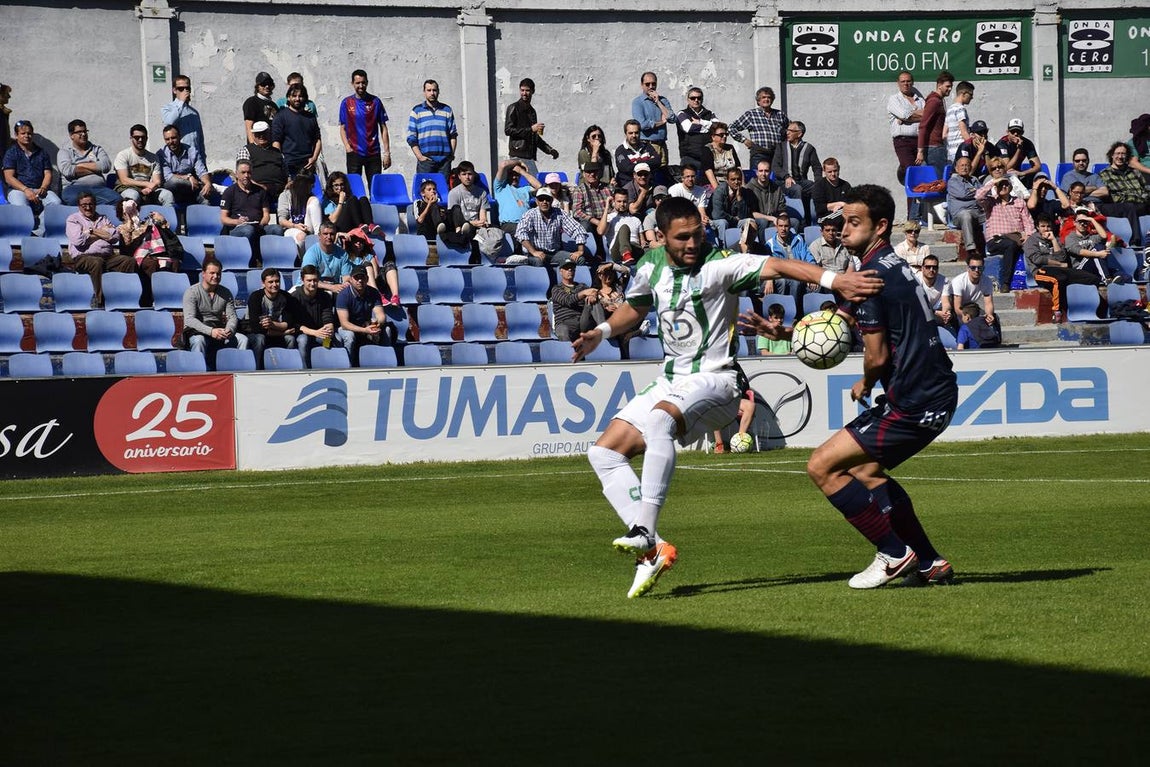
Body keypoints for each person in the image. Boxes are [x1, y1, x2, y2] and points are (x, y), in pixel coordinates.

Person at [574, 195, 882, 598]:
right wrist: (602, 333)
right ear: (661, 237)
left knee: (658, 420)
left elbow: (778, 264)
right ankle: (653, 549)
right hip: (671, 378)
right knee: (604, 454)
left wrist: (833, 280)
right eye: (682, 237)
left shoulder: (719, 264)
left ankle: (644, 529)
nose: (691, 243)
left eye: (696, 234)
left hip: (717, 380)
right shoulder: (650, 266)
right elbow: (635, 307)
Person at [786, 184, 958, 588]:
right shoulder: (889, 265)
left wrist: (866, 378)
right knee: (866, 470)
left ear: (880, 226)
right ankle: (931, 562)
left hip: (916, 400)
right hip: (934, 392)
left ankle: (894, 553)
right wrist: (784, 330)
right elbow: (842, 320)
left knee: (822, 466)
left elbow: (877, 355)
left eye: (854, 222)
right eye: (843, 222)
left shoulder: (871, 278)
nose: (843, 230)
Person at [1026, 213, 1101, 323]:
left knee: (1092, 278)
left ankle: (1086, 307)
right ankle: (1057, 311)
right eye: (1043, 226)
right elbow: (1038, 259)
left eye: (1048, 226)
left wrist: (1053, 241)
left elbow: (1062, 257)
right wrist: (1059, 264)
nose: (1046, 229)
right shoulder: (1031, 241)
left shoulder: (1055, 239)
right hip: (1040, 272)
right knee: (1058, 279)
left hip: (1060, 270)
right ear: (1037, 227)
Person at [65, 191, 135, 308]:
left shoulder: (103, 218)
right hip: (83, 257)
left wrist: (90, 231)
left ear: (95, 205)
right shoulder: (73, 219)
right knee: (97, 262)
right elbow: (78, 240)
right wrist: (102, 232)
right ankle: (100, 301)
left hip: (108, 257)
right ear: (79, 206)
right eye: (84, 205)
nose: (88, 208)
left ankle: (124, 297)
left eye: (91, 204)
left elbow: (114, 237)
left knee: (128, 261)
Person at [182, 259, 247, 367]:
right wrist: (211, 331)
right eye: (212, 273)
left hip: (218, 330)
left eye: (218, 273)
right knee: (199, 341)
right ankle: (198, 372)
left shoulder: (226, 292)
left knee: (243, 339)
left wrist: (229, 330)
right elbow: (189, 320)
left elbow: (232, 317)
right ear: (203, 274)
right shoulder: (192, 292)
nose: (216, 276)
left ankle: (240, 372)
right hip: (197, 331)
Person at [219, 160, 284, 264]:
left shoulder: (260, 191)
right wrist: (237, 222)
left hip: (258, 226)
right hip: (237, 228)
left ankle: (274, 262)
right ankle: (250, 261)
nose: (246, 175)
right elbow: (223, 218)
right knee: (248, 230)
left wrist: (261, 224)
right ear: (236, 174)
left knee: (277, 229)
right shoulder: (230, 192)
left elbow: (266, 215)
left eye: (249, 172)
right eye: (243, 172)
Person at [4, 120, 62, 234]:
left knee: (56, 202)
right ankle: (25, 231)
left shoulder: (42, 152)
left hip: (40, 189)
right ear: (16, 135)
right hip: (18, 190)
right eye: (23, 133)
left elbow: (48, 173)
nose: (27, 136)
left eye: (29, 133)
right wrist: (25, 190)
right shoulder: (11, 153)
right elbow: (9, 177)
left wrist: (44, 188)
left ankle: (38, 232)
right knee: (21, 206)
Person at [976, 175, 1034, 292]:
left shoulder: (1019, 202)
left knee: (1030, 245)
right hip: (996, 240)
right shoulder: (990, 202)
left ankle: (1034, 281)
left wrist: (1028, 236)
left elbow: (1028, 222)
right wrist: (993, 182)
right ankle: (1005, 282)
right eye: (1000, 185)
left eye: (1006, 184)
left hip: (1017, 238)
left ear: (1010, 187)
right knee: (1010, 245)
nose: (1003, 186)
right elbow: (978, 196)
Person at [340, 69, 391, 184]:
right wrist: (348, 147)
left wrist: (387, 153)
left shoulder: (375, 102)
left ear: (367, 83)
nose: (361, 86)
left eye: (363, 82)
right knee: (354, 188)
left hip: (373, 153)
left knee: (375, 188)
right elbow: (342, 128)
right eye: (357, 83)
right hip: (354, 152)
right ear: (352, 83)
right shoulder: (346, 103)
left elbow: (383, 128)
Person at [515, 187, 588, 266]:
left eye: (547, 199)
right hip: (535, 253)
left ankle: (574, 278)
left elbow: (578, 229)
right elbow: (520, 233)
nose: (544, 202)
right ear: (536, 201)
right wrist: (534, 252)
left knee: (579, 259)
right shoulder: (529, 214)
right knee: (538, 261)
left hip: (555, 253)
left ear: (552, 200)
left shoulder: (560, 213)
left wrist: (580, 251)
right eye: (541, 199)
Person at [887, 71, 925, 222]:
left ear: (913, 82)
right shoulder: (894, 99)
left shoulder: (920, 99)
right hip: (903, 141)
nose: (906, 84)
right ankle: (912, 217)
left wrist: (909, 117)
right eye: (903, 81)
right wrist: (908, 117)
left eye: (908, 81)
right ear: (898, 83)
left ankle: (919, 215)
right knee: (911, 174)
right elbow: (904, 114)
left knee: (920, 177)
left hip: (920, 141)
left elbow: (927, 115)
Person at [58, 119, 120, 206]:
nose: (83, 134)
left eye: (85, 131)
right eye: (79, 132)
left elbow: (106, 166)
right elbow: (68, 171)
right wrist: (96, 169)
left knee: (117, 200)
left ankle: (93, 207)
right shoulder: (64, 152)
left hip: (99, 189)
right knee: (73, 200)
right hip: (74, 188)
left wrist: (80, 165)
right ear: (72, 135)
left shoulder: (97, 149)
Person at [1098, 142, 1149, 248]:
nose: (1120, 157)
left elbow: (1146, 189)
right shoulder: (1104, 174)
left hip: (1142, 203)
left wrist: (1143, 197)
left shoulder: (1135, 172)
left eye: (1123, 154)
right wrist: (1137, 197)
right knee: (1130, 206)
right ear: (1112, 155)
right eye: (1117, 153)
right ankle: (1135, 241)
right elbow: (1116, 197)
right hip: (1124, 206)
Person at [335, 266, 390, 365]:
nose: (360, 280)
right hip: (347, 327)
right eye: (356, 278)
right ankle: (348, 365)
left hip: (365, 325)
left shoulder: (373, 292)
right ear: (351, 279)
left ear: (367, 279)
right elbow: (344, 324)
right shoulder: (343, 295)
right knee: (349, 336)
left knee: (387, 330)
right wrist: (365, 330)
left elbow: (381, 316)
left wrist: (376, 324)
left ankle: (385, 363)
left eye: (363, 277)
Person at [505, 77, 558, 175]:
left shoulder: (532, 111)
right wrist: (531, 129)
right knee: (533, 183)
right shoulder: (513, 108)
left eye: (527, 90)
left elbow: (534, 137)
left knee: (533, 185)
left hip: (529, 156)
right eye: (522, 90)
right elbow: (508, 130)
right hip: (517, 155)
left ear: (533, 91)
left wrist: (550, 150)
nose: (524, 93)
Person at [246, 268, 299, 367]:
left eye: (277, 281)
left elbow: (289, 324)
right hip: (254, 333)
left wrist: (272, 324)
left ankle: (288, 368)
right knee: (260, 339)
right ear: (263, 283)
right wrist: (282, 331)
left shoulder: (286, 297)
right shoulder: (256, 297)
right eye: (270, 282)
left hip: (275, 332)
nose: (274, 285)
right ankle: (257, 369)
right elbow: (256, 328)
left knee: (290, 339)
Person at [290, 264, 341, 366]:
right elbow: (294, 323)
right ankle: (305, 370)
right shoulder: (294, 297)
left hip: (320, 332)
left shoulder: (324, 296)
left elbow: (327, 317)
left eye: (315, 280)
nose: (312, 283)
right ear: (302, 280)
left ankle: (329, 366)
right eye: (309, 280)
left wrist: (328, 329)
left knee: (334, 339)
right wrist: (314, 332)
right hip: (302, 332)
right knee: (303, 340)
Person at [114, 125, 175, 206]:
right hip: (128, 188)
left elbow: (157, 181)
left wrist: (149, 188)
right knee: (133, 196)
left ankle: (167, 218)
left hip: (149, 190)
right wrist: (146, 184)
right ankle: (132, 219)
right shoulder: (123, 155)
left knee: (167, 195)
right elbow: (124, 180)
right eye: (136, 137)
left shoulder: (154, 158)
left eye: (143, 137)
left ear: (147, 138)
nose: (140, 140)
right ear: (131, 138)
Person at [772, 121, 821, 223]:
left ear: (799, 134)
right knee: (797, 189)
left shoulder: (809, 148)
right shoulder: (781, 147)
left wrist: (818, 182)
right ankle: (801, 222)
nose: (787, 133)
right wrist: (786, 176)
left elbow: (817, 167)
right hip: (783, 182)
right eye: (787, 130)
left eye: (790, 131)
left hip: (801, 180)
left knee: (816, 187)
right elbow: (775, 167)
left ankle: (817, 220)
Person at [729, 86, 788, 169]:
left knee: (776, 180)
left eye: (769, 97)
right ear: (758, 101)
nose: (766, 99)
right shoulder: (751, 114)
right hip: (759, 154)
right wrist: (744, 140)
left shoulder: (780, 114)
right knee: (758, 179)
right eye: (763, 97)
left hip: (776, 154)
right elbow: (731, 128)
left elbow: (788, 131)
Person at [271, 82, 322, 178]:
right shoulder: (280, 116)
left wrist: (314, 158)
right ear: (288, 97)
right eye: (294, 96)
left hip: (308, 165)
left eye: (301, 96)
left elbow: (318, 139)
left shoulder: (311, 117)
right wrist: (280, 161)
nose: (297, 99)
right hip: (288, 164)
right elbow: (276, 142)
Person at [407, 79, 457, 175]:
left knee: (443, 189)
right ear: (424, 92)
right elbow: (411, 137)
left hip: (444, 162)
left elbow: (453, 135)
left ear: (438, 91)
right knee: (424, 188)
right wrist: (420, 157)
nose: (432, 93)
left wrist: (451, 155)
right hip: (426, 162)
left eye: (434, 90)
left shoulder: (447, 110)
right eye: (429, 90)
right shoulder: (417, 111)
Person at [158, 123, 212, 207]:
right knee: (174, 181)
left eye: (173, 138)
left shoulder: (192, 151)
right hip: (171, 189)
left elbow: (201, 171)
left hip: (189, 189)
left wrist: (208, 183)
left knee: (205, 195)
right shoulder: (161, 154)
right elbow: (169, 176)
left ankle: (206, 217)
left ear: (180, 136)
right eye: (167, 139)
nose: (171, 142)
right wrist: (188, 177)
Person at [236, 120, 287, 204]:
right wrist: (258, 187)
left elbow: (286, 173)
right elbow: (242, 175)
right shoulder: (246, 150)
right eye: (258, 133)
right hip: (256, 190)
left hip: (280, 191)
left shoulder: (278, 153)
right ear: (253, 135)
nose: (261, 136)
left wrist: (288, 183)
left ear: (269, 133)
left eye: (264, 133)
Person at [550, 259, 602, 341]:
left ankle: (603, 329)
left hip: (582, 321)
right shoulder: (557, 288)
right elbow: (567, 300)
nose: (570, 270)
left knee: (593, 300)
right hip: (565, 322)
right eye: (567, 268)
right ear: (561, 271)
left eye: (572, 268)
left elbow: (594, 293)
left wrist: (593, 295)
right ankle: (568, 352)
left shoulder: (582, 286)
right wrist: (583, 293)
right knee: (563, 331)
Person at [631, 72, 676, 164]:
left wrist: (658, 102)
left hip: (662, 145)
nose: (651, 86)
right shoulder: (638, 102)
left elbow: (672, 118)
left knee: (663, 175)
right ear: (642, 85)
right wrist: (662, 122)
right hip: (647, 145)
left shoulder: (663, 100)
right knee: (648, 175)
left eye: (653, 84)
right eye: (647, 84)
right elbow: (642, 125)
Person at [943, 255, 997, 331]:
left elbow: (988, 303)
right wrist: (968, 318)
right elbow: (957, 307)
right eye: (973, 268)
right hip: (955, 309)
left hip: (970, 307)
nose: (977, 270)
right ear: (968, 268)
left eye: (980, 268)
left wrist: (989, 315)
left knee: (994, 318)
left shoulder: (987, 281)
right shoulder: (959, 281)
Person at [917, 71, 954, 180]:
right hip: (933, 148)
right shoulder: (934, 101)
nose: (950, 89)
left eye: (951, 86)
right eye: (947, 86)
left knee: (937, 181)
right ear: (939, 85)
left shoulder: (939, 101)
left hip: (936, 147)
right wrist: (920, 151)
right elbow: (923, 125)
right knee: (939, 182)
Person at [947, 155, 985, 259]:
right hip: (959, 216)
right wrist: (977, 192)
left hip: (977, 212)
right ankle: (971, 249)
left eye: (967, 165)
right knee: (966, 215)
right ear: (956, 168)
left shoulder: (974, 179)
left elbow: (984, 193)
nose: (964, 168)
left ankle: (992, 245)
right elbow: (963, 194)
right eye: (962, 165)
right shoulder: (953, 181)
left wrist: (975, 191)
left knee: (993, 212)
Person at [161, 74, 206, 161]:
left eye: (187, 88)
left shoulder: (194, 112)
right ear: (174, 90)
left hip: (195, 158)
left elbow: (200, 139)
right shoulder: (167, 108)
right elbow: (169, 122)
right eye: (181, 89)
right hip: (179, 159)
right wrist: (181, 102)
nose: (185, 91)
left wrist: (203, 159)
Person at [710, 166, 759, 244]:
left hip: (734, 221)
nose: (736, 182)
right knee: (723, 223)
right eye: (733, 179)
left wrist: (740, 199)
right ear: (727, 180)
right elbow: (717, 214)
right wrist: (733, 219)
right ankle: (723, 248)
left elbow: (743, 216)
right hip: (718, 221)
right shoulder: (719, 191)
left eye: (738, 179)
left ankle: (749, 247)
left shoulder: (744, 192)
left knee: (750, 221)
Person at [493, 158, 541, 238]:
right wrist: (519, 162)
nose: (514, 177)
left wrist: (522, 172)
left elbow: (539, 186)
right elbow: (503, 165)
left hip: (527, 223)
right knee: (521, 232)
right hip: (510, 224)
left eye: (517, 175)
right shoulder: (500, 188)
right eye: (511, 174)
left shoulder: (525, 189)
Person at [571, 161, 613, 250]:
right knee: (585, 226)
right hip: (590, 220)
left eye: (594, 171)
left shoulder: (608, 187)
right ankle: (591, 252)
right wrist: (594, 221)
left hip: (606, 218)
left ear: (599, 172)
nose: (592, 174)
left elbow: (614, 205)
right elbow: (576, 212)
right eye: (589, 172)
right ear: (584, 174)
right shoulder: (579, 190)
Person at [445, 160, 489, 243]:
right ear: (459, 176)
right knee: (456, 209)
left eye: (469, 174)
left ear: (474, 175)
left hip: (478, 226)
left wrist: (482, 222)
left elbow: (483, 216)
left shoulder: (482, 193)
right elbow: (454, 216)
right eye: (464, 174)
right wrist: (471, 223)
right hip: (461, 226)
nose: (467, 177)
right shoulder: (454, 193)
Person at [597, 188, 642, 267]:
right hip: (617, 252)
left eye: (624, 201)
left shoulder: (636, 220)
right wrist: (607, 207)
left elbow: (642, 241)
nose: (622, 204)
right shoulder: (610, 218)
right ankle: (626, 254)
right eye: (619, 201)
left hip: (635, 249)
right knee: (624, 228)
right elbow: (600, 231)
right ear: (614, 202)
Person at [302, 221, 352, 293]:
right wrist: (331, 287)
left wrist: (345, 284)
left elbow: (346, 277)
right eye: (325, 234)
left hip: (334, 288)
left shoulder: (342, 254)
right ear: (319, 235)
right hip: (311, 288)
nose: (329, 237)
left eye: (332, 234)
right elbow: (309, 279)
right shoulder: (312, 253)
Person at [278, 171, 320, 253]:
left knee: (314, 201)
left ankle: (318, 237)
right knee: (301, 236)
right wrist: (295, 226)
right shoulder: (285, 195)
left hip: (307, 227)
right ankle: (305, 262)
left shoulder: (310, 197)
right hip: (292, 227)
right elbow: (282, 220)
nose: (313, 187)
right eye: (311, 185)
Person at [994, 119, 1043, 190]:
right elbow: (1006, 167)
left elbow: (1038, 166)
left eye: (1018, 132)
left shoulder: (1027, 143)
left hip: (1018, 173)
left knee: (1040, 176)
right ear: (1008, 132)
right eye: (1013, 131)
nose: (1015, 134)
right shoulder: (1002, 144)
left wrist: (1023, 173)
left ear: (1022, 132)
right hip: (1003, 174)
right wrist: (1019, 149)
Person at [675, 86, 715, 169]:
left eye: (699, 98)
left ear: (702, 99)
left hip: (708, 156)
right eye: (693, 98)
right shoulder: (682, 114)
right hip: (689, 157)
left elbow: (718, 127)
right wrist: (708, 127)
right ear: (688, 100)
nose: (696, 100)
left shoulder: (710, 113)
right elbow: (688, 128)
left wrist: (701, 122)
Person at [614, 119, 660, 188]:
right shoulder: (620, 150)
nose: (634, 135)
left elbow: (657, 161)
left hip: (649, 184)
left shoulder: (647, 146)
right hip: (629, 186)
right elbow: (627, 168)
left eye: (636, 132)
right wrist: (647, 161)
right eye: (630, 133)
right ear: (625, 134)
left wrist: (636, 162)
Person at [744, 158, 787, 229]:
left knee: (793, 222)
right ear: (757, 172)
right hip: (757, 221)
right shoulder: (749, 188)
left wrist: (782, 218)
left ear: (770, 172)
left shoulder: (777, 188)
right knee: (763, 221)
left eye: (766, 171)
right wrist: (770, 218)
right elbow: (750, 213)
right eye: (761, 171)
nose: (763, 174)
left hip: (774, 219)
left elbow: (782, 208)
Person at [699, 122, 741, 190]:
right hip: (715, 186)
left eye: (726, 134)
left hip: (733, 184)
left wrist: (742, 186)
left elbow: (738, 168)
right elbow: (709, 172)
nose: (724, 136)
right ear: (713, 137)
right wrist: (718, 191)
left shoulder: (730, 148)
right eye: (721, 135)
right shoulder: (707, 149)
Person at [916, 254, 952, 327]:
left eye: (934, 267)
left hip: (936, 311)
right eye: (928, 267)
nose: (931, 270)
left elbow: (946, 302)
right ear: (922, 268)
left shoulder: (944, 281)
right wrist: (936, 312)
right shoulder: (916, 280)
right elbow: (917, 305)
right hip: (919, 313)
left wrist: (946, 313)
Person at [243, 71, 279, 144]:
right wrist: (253, 148)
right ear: (257, 86)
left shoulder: (274, 105)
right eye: (263, 84)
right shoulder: (251, 102)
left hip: (272, 148)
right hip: (258, 147)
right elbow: (249, 127)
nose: (267, 86)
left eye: (269, 84)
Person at [944, 81, 975, 163]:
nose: (972, 97)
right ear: (964, 93)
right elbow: (964, 132)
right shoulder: (960, 109)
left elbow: (944, 134)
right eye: (971, 94)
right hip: (962, 151)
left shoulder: (950, 109)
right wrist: (973, 147)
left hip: (950, 152)